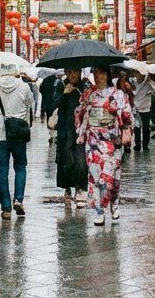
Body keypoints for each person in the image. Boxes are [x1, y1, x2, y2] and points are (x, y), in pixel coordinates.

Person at [76, 65, 134, 226]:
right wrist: (81, 105)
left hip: (111, 141)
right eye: (96, 73)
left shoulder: (118, 94)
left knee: (111, 178)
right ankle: (99, 210)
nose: (99, 76)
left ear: (108, 75)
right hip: (93, 141)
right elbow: (80, 115)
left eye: (102, 72)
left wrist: (117, 111)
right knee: (96, 177)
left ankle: (114, 204)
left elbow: (128, 117)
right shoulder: (89, 94)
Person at [0, 69, 34, 219]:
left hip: (0, 134)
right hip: (18, 133)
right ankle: (18, 199)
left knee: (2, 170)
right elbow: (29, 106)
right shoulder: (24, 86)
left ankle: (6, 208)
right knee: (20, 167)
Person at [54, 69, 89, 209]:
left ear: (79, 72)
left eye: (75, 72)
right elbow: (53, 105)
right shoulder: (61, 86)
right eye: (70, 72)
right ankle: (67, 188)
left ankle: (80, 189)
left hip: (80, 130)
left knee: (81, 160)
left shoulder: (85, 87)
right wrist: (64, 94)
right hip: (65, 130)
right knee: (66, 160)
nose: (72, 75)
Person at [133, 72, 155, 151]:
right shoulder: (133, 82)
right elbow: (134, 92)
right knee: (137, 128)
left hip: (146, 108)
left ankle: (145, 144)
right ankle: (137, 145)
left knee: (146, 127)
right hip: (136, 109)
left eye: (141, 74)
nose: (139, 76)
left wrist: (150, 81)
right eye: (137, 73)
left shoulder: (148, 82)